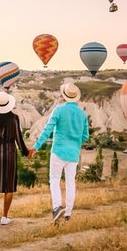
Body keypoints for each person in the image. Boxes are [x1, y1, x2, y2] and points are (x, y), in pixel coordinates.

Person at [29, 82, 89, 223]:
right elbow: (85, 136)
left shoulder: (58, 110)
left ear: (64, 96)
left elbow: (47, 130)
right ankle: (68, 213)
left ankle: (57, 208)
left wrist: (36, 147)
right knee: (70, 183)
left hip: (58, 151)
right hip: (73, 154)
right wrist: (75, 142)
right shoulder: (82, 114)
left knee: (54, 180)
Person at [0, 91, 29, 226]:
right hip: (10, 153)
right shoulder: (14, 118)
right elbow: (19, 138)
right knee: (9, 187)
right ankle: (5, 217)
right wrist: (25, 152)